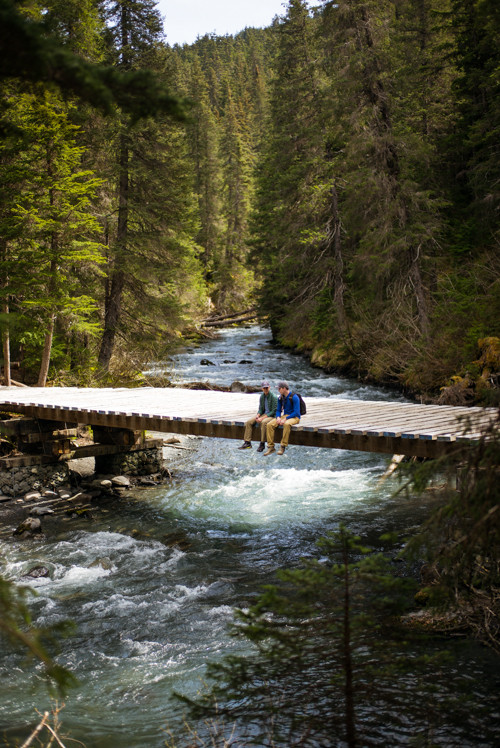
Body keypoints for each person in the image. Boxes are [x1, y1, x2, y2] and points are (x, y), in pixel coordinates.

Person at [238, 380, 279, 452]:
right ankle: (247, 442)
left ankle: (262, 443)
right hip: (264, 414)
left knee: (263, 422)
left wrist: (262, 418)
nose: (265, 389)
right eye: (264, 388)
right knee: (249, 422)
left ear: (269, 387)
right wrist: (258, 415)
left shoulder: (274, 397)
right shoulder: (262, 396)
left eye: (267, 388)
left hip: (272, 416)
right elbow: (261, 408)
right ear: (262, 389)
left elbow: (274, 411)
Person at [264, 381, 301, 456]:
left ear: (284, 388)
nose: (278, 390)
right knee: (269, 424)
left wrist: (285, 419)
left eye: (279, 388)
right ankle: (271, 447)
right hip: (285, 416)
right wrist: (278, 417)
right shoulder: (280, 398)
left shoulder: (294, 397)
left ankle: (283, 446)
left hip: (294, 417)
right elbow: (278, 410)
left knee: (287, 424)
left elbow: (296, 412)